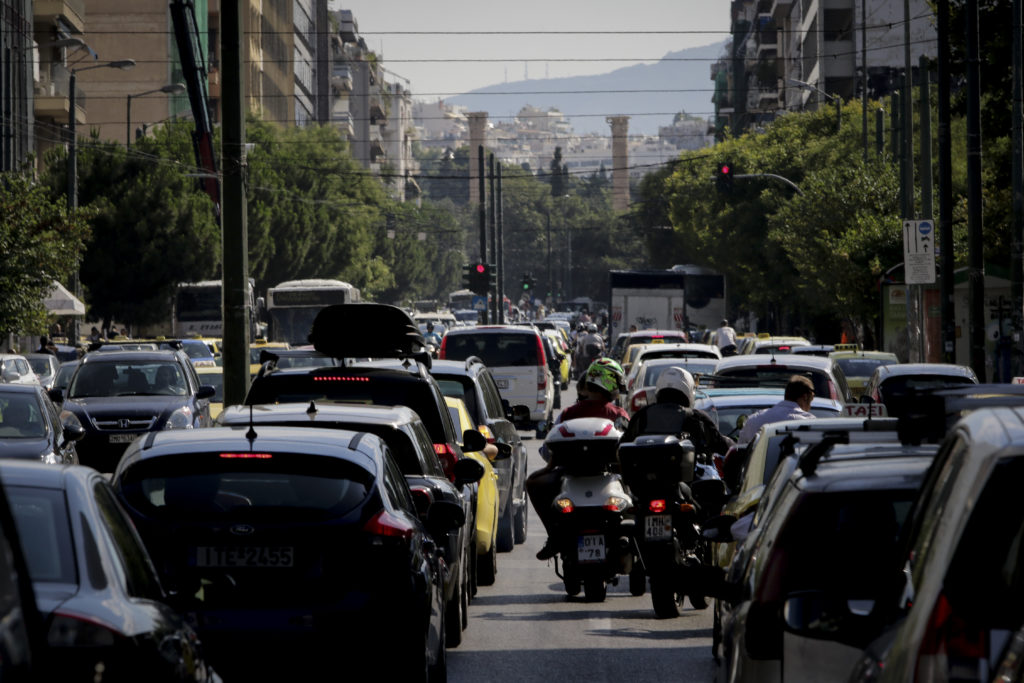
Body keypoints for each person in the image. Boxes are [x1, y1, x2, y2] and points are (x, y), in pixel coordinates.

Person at [528, 358, 630, 560]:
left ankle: (554, 536)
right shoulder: (619, 414)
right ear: (609, 382)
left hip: (570, 477)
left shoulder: (568, 413)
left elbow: (547, 452)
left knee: (532, 483)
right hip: (610, 478)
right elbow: (628, 450)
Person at [619, 366, 734, 458]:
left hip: (646, 482)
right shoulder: (696, 418)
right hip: (689, 482)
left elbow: (622, 447)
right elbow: (722, 445)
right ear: (688, 391)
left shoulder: (642, 415)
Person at [736, 374, 816, 444]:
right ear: (805, 397)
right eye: (811, 400)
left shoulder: (753, 420)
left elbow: (740, 453)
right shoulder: (809, 423)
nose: (810, 407)